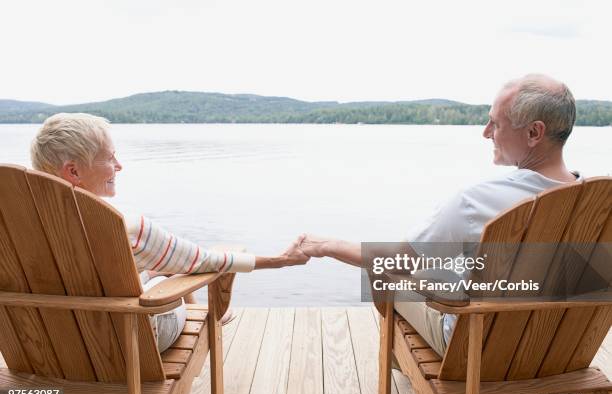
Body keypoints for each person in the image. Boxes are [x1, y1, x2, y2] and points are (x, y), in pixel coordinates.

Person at [298, 74, 581, 356]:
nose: (486, 132)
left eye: (495, 123)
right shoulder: (595, 200)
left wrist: (326, 246)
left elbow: (395, 261)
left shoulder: (476, 201)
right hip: (557, 347)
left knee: (384, 272)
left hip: (477, 354)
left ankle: (399, 360)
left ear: (534, 133)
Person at [30, 112, 310, 352]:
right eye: (110, 158)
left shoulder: (18, 228)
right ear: (74, 172)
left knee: (156, 269)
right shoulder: (124, 228)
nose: (119, 166)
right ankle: (207, 315)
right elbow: (204, 262)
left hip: (49, 346)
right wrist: (280, 261)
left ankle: (158, 274)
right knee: (177, 270)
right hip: (127, 347)